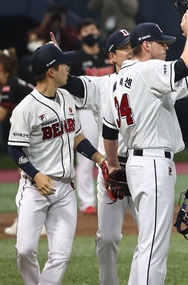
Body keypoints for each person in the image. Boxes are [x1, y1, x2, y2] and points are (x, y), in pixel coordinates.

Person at [101, 14, 188, 284]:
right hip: (153, 163)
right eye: (161, 43)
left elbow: (109, 131)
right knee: (155, 247)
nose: (166, 46)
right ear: (146, 45)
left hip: (137, 163)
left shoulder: (119, 80)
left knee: (147, 242)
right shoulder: (147, 71)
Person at [7, 43, 107, 284]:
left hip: (64, 190)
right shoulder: (26, 108)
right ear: (51, 71)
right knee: (25, 250)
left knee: (60, 255)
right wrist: (35, 174)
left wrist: (100, 159)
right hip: (35, 187)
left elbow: (77, 137)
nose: (68, 69)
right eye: (64, 64)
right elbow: (14, 148)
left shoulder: (66, 97)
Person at [62, 29, 137, 285]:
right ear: (112, 56)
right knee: (107, 238)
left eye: (133, 47)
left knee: (151, 236)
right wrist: (57, 61)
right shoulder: (102, 84)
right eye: (125, 48)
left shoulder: (149, 79)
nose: (130, 51)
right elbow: (72, 83)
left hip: (142, 166)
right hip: (111, 170)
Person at [69, 18, 116, 216]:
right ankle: (87, 202)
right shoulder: (76, 59)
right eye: (86, 30)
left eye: (94, 28)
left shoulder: (108, 56)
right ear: (80, 36)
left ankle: (115, 191)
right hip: (85, 110)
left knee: (114, 152)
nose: (91, 32)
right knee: (86, 158)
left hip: (109, 109)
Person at [0, 48, 37, 236]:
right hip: (35, 129)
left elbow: (1, 115)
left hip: (34, 132)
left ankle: (28, 222)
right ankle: (30, 220)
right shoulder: (11, 83)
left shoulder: (8, 86)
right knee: (27, 174)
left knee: (26, 175)